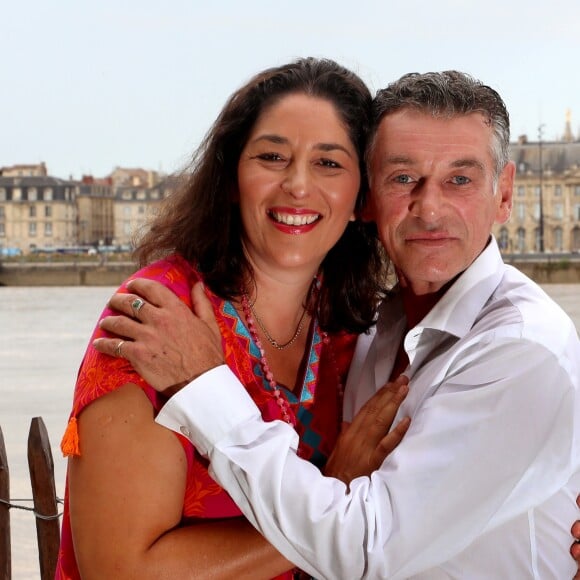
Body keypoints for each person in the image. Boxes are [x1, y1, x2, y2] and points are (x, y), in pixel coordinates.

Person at [98, 71, 580, 578]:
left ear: (503, 194)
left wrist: (202, 387)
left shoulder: (523, 347)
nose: (430, 207)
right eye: (402, 178)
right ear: (368, 197)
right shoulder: (362, 328)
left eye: (460, 179)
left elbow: (365, 549)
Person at [56, 57, 411, 579]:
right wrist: (333, 499)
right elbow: (122, 570)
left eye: (329, 163)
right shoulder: (158, 320)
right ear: (229, 177)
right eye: (272, 157)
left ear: (363, 196)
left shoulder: (353, 326)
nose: (297, 184)